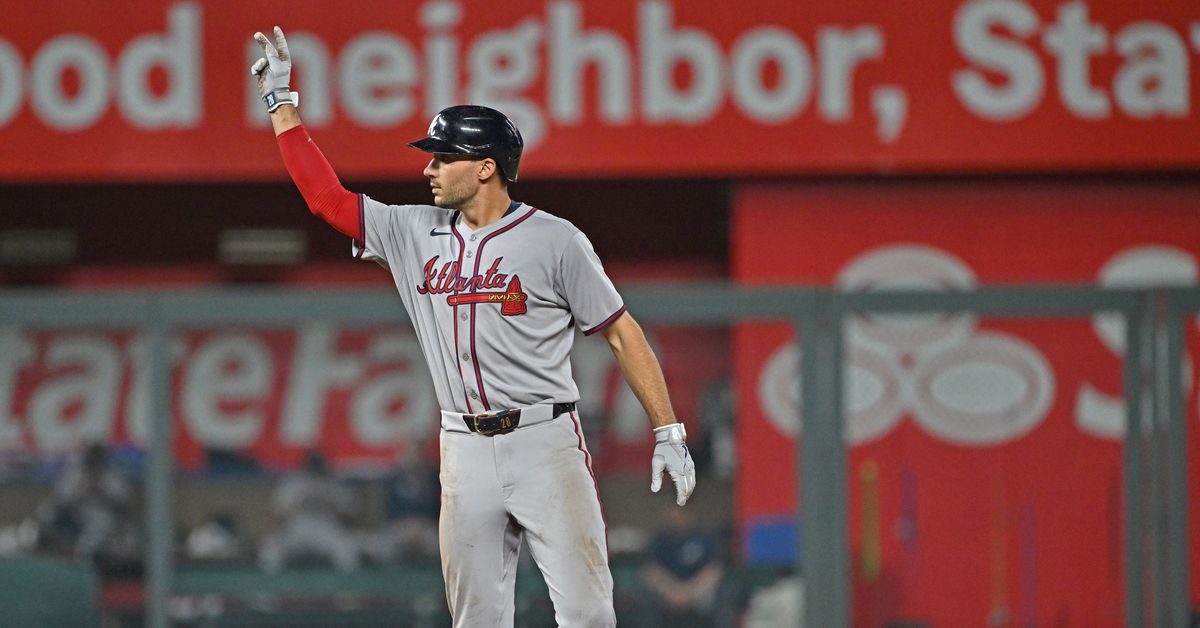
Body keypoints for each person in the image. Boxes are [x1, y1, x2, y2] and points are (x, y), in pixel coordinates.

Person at [250, 26, 696, 627]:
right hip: (462, 447)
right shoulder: (412, 231)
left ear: (486, 167)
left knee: (588, 615)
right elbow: (327, 199)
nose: (429, 168)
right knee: (475, 619)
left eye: (443, 157)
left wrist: (668, 430)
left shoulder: (555, 240)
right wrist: (281, 104)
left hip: (545, 440)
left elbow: (622, 332)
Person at [257, 450, 360, 573]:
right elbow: (276, 515)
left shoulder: (335, 484)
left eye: (317, 464)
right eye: (312, 464)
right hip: (296, 528)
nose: (314, 468)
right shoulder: (292, 484)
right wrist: (296, 506)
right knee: (270, 547)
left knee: (348, 548)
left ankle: (346, 585)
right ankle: (269, 585)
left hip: (326, 528)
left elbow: (352, 517)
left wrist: (332, 506)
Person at [639, 505, 726, 628]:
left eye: (682, 511)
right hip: (667, 592)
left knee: (713, 599)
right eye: (675, 511)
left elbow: (713, 571)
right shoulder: (660, 539)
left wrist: (688, 592)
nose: (678, 516)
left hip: (697, 592)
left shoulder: (705, 537)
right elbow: (651, 571)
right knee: (647, 598)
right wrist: (671, 591)